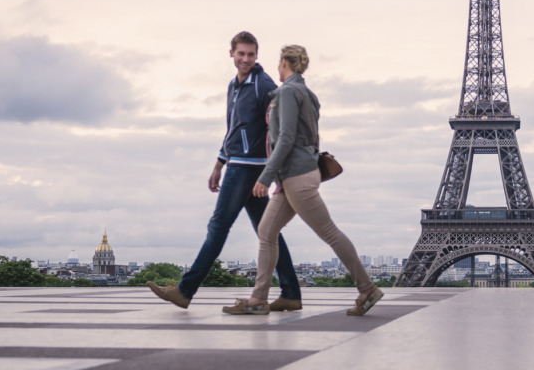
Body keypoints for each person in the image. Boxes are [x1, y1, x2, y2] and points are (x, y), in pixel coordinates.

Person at [149, 31, 303, 312]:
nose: (246, 59)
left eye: (251, 54)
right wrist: (219, 163)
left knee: (218, 227)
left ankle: (185, 290)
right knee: (267, 233)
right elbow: (234, 129)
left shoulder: (263, 85)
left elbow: (277, 127)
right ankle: (291, 292)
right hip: (236, 164)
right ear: (230, 53)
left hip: (248, 168)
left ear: (257, 56)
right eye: (241, 53)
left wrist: (268, 172)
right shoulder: (234, 86)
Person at [226, 44, 383, 316]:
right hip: (298, 174)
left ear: (285, 62)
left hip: (297, 176)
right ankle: (258, 298)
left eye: (279, 62)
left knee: (329, 232)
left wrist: (266, 177)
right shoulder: (308, 93)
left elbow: (285, 138)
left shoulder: (287, 92)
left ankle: (367, 288)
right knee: (267, 232)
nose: (277, 67)